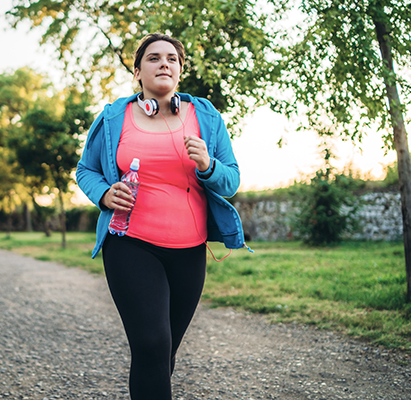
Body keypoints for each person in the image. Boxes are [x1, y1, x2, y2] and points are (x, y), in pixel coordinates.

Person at [76, 33, 248, 399]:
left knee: (163, 350)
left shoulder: (205, 116)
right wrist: (104, 194)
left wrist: (207, 164)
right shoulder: (112, 118)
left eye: (172, 58)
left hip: (189, 250)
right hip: (130, 244)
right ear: (137, 72)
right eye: (153, 58)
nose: (164, 63)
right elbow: (85, 170)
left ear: (180, 71)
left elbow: (231, 179)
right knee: (152, 343)